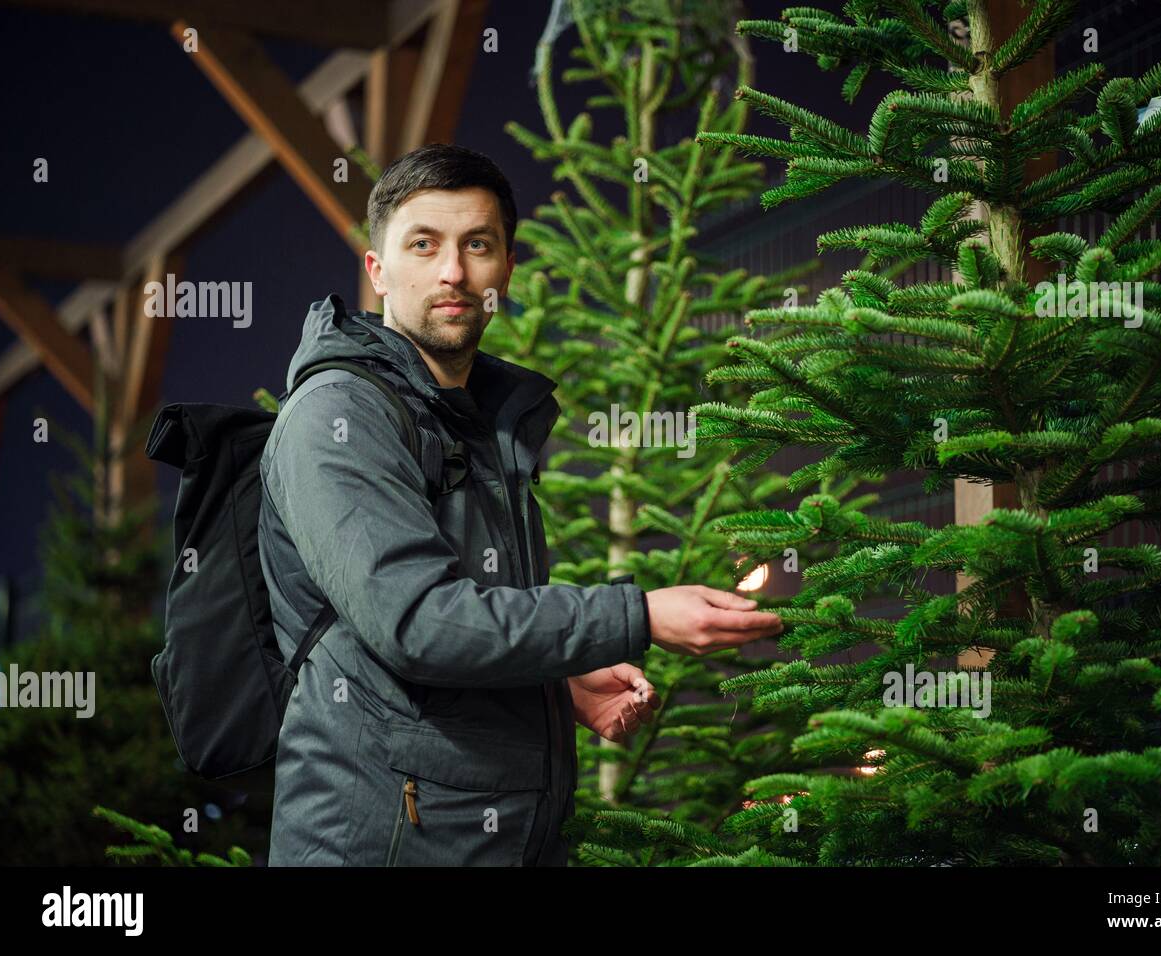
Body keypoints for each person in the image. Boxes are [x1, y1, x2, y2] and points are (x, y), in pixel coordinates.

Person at [258, 143, 783, 866]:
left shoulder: (476, 420)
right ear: (377, 272)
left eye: (477, 244)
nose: (453, 271)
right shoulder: (338, 416)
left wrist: (556, 682)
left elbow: (466, 621)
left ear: (506, 268)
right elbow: (416, 623)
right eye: (423, 244)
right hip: (382, 844)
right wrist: (639, 615)